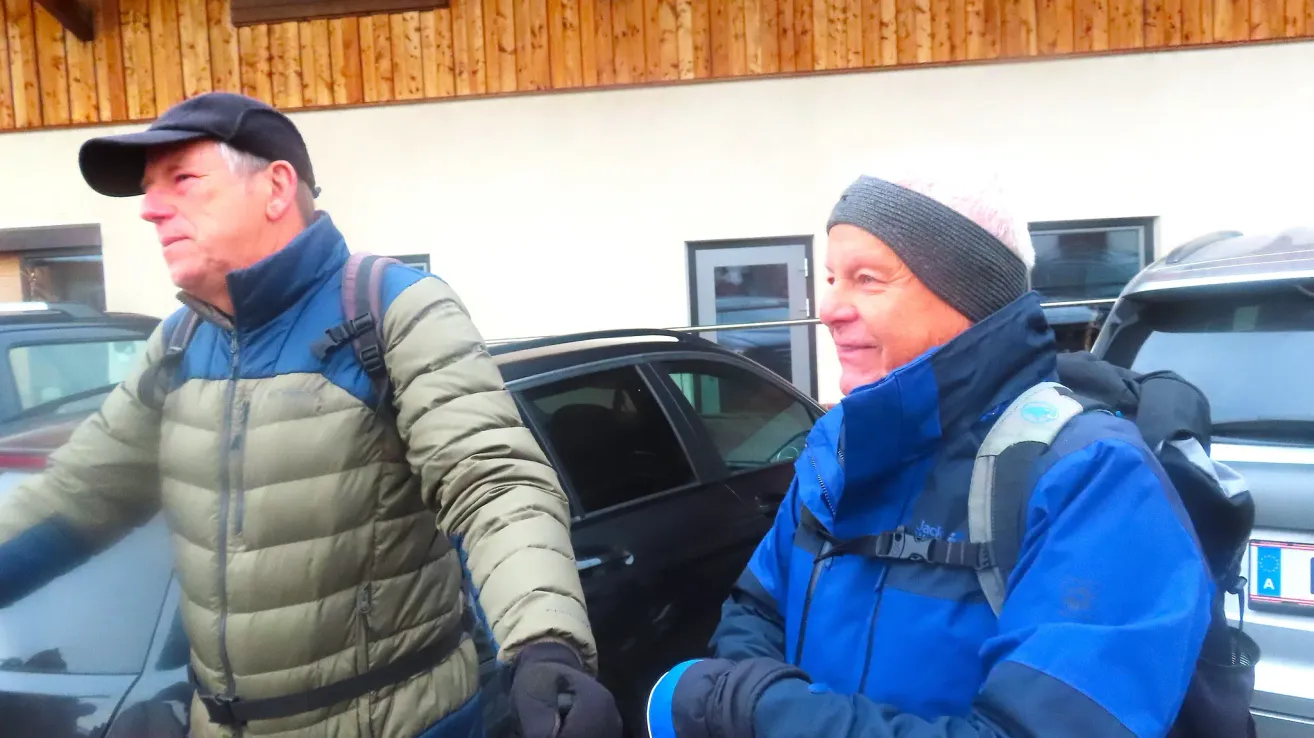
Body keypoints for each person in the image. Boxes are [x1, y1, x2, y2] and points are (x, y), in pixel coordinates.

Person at [0, 92, 621, 738]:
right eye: (150, 190)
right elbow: (73, 499)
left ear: (275, 188)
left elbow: (491, 481)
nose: (151, 209)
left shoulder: (391, 311)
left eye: (181, 179)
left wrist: (545, 645)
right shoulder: (180, 344)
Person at [644, 171, 1228, 737]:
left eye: (868, 279)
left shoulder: (1094, 480)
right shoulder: (838, 447)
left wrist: (750, 711)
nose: (829, 308)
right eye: (832, 277)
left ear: (968, 296)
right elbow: (759, 609)